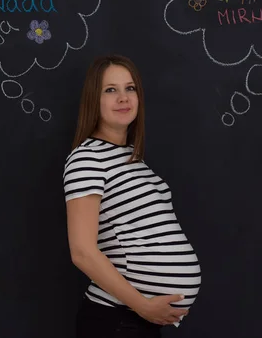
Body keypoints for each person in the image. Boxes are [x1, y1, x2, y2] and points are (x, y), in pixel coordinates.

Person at [63, 54, 201, 337]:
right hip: (117, 320)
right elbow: (82, 252)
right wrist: (143, 305)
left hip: (137, 321)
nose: (123, 98)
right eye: (111, 90)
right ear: (94, 99)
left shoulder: (131, 159)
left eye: (131, 88)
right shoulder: (87, 159)